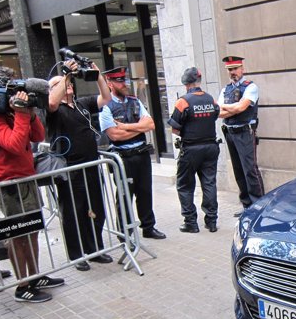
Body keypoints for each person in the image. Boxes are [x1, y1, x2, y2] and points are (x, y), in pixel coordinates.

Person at [0, 65, 64, 302]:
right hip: (9, 184)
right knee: (18, 235)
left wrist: (30, 112)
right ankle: (21, 285)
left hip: (27, 177)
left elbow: (37, 136)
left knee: (33, 230)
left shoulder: (15, 112)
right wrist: (22, 114)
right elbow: (14, 144)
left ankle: (35, 276)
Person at [47, 59, 114, 271]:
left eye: (68, 82)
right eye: (60, 84)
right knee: (73, 214)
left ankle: (94, 249)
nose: (67, 85)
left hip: (91, 165)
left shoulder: (81, 104)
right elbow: (51, 103)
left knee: (95, 209)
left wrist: (98, 75)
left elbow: (106, 97)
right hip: (70, 170)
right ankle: (78, 256)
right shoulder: (53, 110)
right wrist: (65, 74)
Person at [99, 67, 166, 240]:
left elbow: (150, 125)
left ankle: (148, 227)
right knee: (124, 194)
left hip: (141, 154)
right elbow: (114, 134)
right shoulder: (105, 106)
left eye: (124, 80)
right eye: (119, 81)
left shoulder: (134, 101)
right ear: (109, 83)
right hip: (122, 158)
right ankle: (125, 232)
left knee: (145, 192)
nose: (124, 83)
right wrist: (138, 128)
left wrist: (125, 127)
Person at [168, 67, 221, 233]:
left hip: (191, 149)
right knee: (209, 183)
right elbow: (215, 115)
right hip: (211, 147)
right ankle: (211, 221)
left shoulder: (183, 101)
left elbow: (175, 129)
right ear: (199, 81)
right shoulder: (210, 99)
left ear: (186, 84)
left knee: (184, 185)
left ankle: (191, 223)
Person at [218, 56, 265, 217]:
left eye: (235, 69)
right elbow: (218, 112)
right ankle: (246, 206)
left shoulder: (250, 87)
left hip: (245, 131)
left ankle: (258, 206)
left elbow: (241, 107)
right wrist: (233, 108)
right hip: (230, 132)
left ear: (242, 69)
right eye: (230, 70)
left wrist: (229, 108)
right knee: (238, 170)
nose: (233, 72)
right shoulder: (226, 89)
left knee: (250, 169)